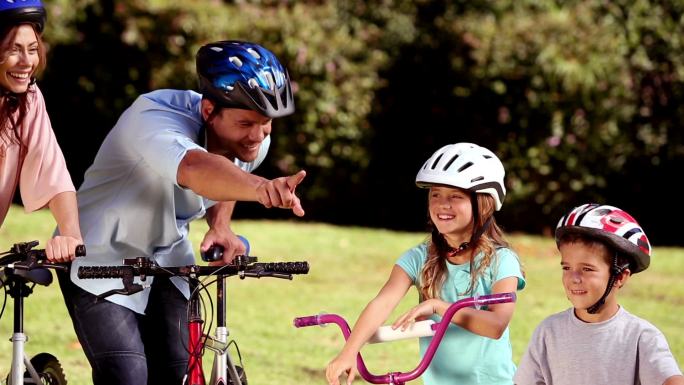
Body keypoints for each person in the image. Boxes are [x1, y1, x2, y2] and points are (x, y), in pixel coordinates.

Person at [56, 40, 305, 385]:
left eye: (266, 124)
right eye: (247, 123)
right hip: (99, 255)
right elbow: (196, 168)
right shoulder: (153, 120)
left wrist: (221, 227)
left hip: (168, 258)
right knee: (128, 375)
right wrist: (261, 189)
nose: (258, 135)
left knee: (181, 373)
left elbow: (231, 170)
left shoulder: (252, 139)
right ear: (208, 111)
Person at [326, 142, 526, 385]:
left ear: (482, 204)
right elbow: (383, 302)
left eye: (455, 196)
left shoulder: (502, 261)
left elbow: (496, 325)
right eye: (436, 195)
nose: (443, 204)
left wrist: (438, 306)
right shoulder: (419, 258)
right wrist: (349, 352)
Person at [514, 203, 684, 385]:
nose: (574, 278)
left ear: (619, 276)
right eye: (567, 267)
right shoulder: (548, 332)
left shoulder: (641, 336)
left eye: (587, 269)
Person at [0, 0, 82, 261]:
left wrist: (71, 235)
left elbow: (53, 172)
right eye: (14, 49)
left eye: (33, 49)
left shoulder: (28, 101)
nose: (26, 62)